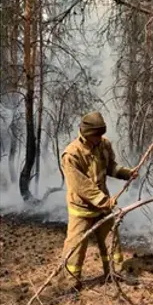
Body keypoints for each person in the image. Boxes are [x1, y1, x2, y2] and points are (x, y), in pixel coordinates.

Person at [60, 111, 137, 290]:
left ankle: (115, 272)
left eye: (101, 134)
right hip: (81, 209)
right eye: (96, 135)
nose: (99, 138)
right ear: (87, 134)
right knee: (75, 247)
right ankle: (69, 284)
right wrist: (105, 201)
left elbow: (110, 166)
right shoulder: (71, 154)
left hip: (103, 206)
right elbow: (82, 186)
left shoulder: (104, 144)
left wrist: (126, 173)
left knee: (111, 240)